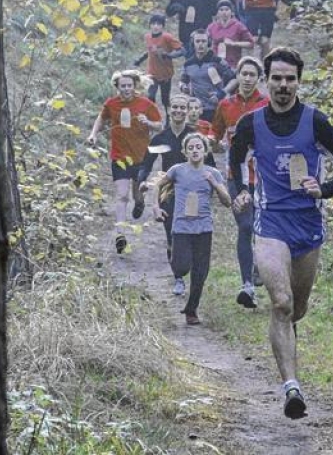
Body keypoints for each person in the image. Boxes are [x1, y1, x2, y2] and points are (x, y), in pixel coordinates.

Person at [229, 47, 333, 419]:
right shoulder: (250, 123)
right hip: (270, 223)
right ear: (266, 81)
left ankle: (286, 344)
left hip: (308, 226)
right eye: (277, 78)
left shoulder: (316, 121)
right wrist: (241, 190)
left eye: (290, 79)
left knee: (297, 309)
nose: (283, 85)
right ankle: (292, 388)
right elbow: (234, 160)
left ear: (298, 82)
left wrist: (325, 189)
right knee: (281, 302)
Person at [150, 132, 231, 325]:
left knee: (200, 273)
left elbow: (227, 201)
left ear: (205, 151)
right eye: (191, 148)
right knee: (181, 266)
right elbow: (158, 186)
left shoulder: (213, 173)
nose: (195, 151)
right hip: (181, 228)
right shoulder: (178, 170)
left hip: (204, 228)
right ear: (185, 152)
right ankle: (173, 255)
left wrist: (214, 184)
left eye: (198, 147)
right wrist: (155, 207)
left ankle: (191, 310)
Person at [211, 56, 269, 308]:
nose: (247, 79)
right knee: (245, 226)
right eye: (243, 74)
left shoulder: (267, 104)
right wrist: (212, 141)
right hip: (236, 176)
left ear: (259, 79)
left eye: (251, 75)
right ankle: (247, 285)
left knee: (262, 229)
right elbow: (215, 132)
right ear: (237, 76)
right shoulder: (225, 105)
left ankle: (260, 265)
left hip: (265, 177)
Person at [87, 69, 164, 254]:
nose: (127, 89)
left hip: (140, 157)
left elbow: (160, 125)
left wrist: (149, 123)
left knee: (137, 195)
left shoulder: (146, 103)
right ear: (117, 87)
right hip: (119, 157)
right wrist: (93, 134)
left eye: (129, 85)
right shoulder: (111, 104)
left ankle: (140, 202)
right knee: (122, 195)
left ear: (135, 86)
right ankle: (120, 233)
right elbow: (101, 118)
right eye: (123, 86)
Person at [136, 95, 194, 278]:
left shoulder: (194, 137)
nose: (178, 111)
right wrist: (142, 181)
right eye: (175, 107)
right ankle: (178, 277)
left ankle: (188, 268)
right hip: (168, 191)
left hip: (191, 193)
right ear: (169, 110)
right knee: (172, 233)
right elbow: (147, 163)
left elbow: (209, 166)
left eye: (182, 108)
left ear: (188, 111)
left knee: (189, 232)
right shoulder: (161, 138)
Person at [180, 29, 237, 123]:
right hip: (196, 109)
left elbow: (234, 80)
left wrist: (222, 93)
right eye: (197, 41)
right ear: (193, 43)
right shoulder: (188, 64)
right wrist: (183, 87)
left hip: (216, 108)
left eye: (203, 41)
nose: (200, 44)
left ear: (209, 42)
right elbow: (182, 80)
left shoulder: (217, 62)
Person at [133, 13, 185, 107]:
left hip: (165, 73)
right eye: (153, 24)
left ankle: (168, 119)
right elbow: (149, 51)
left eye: (159, 24)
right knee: (150, 96)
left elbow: (182, 50)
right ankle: (153, 116)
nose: (156, 26)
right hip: (152, 72)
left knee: (165, 99)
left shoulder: (167, 37)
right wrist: (140, 60)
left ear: (163, 26)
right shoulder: (148, 37)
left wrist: (169, 55)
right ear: (150, 25)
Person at [207, 0, 254, 68]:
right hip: (215, 64)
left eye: (227, 9)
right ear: (217, 13)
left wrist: (233, 43)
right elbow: (205, 42)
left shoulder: (238, 26)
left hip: (233, 64)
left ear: (232, 12)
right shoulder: (211, 27)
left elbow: (251, 44)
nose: (224, 12)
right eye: (221, 10)